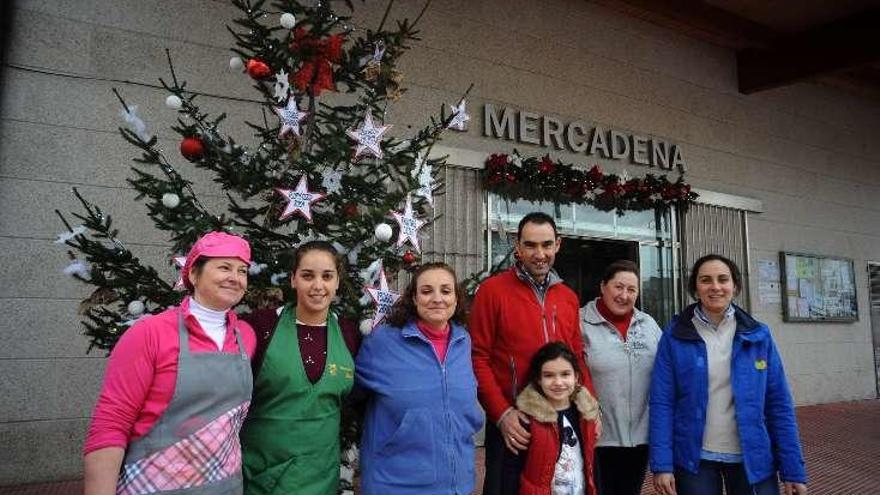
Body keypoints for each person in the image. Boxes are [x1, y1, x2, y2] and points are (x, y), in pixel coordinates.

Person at [83, 231, 256, 495]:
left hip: (226, 487)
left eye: (242, 271)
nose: (235, 278)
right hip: (153, 486)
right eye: (224, 267)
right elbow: (111, 422)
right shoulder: (150, 334)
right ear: (194, 275)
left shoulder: (245, 336)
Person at [650, 254, 808, 495]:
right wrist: (662, 464)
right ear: (695, 287)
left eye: (723, 279)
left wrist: (792, 470)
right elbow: (662, 402)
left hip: (752, 458)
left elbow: (778, 405)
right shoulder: (675, 335)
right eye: (706, 280)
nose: (715, 287)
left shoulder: (758, 335)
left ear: (735, 286)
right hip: (695, 459)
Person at [471, 212, 593, 495]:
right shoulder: (492, 291)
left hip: (561, 419)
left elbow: (577, 356)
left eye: (546, 245)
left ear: (558, 245)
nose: (540, 254)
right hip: (515, 425)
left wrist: (590, 405)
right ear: (518, 246)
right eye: (531, 245)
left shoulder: (568, 297)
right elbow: (478, 357)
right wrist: (501, 414)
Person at [240, 241, 360, 495]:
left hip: (320, 477)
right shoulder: (261, 326)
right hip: (263, 476)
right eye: (307, 275)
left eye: (327, 276)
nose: (318, 286)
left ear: (337, 281)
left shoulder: (349, 334)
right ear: (293, 279)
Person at [356, 262, 483, 495]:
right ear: (414, 298)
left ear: (456, 298)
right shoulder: (382, 342)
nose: (437, 298)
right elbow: (350, 396)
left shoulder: (463, 342)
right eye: (426, 291)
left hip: (458, 485)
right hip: (396, 485)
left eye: (446, 291)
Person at [580, 260, 661, 495]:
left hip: (639, 438)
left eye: (631, 289)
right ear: (603, 286)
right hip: (597, 437)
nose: (624, 295)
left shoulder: (649, 325)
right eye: (618, 287)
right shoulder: (579, 323)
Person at [517, 342, 600, 495]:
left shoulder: (584, 415)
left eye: (565, 374)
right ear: (538, 379)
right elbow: (515, 467)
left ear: (576, 377)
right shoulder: (528, 420)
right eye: (549, 375)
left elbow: (590, 463)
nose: (558, 382)